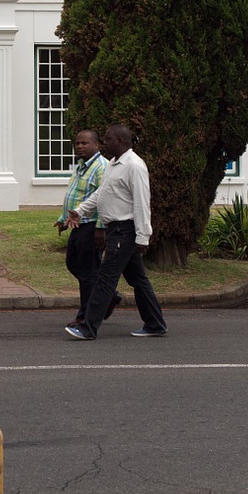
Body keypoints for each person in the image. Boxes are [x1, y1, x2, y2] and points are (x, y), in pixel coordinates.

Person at [64, 124, 167, 341]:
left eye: (108, 139)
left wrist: (143, 236)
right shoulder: (113, 163)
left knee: (105, 279)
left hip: (125, 231)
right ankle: (155, 324)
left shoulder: (134, 166)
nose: (105, 142)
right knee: (138, 280)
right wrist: (80, 211)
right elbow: (102, 193)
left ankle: (88, 328)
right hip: (116, 230)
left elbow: (142, 203)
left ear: (120, 141)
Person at [55, 129, 121, 324]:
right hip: (77, 224)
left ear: (96, 145)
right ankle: (108, 295)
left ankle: (85, 316)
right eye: (77, 143)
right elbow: (75, 195)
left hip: (91, 226)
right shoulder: (82, 166)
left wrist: (101, 228)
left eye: (85, 143)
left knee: (87, 272)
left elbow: (105, 199)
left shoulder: (102, 167)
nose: (80, 146)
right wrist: (63, 219)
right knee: (74, 264)